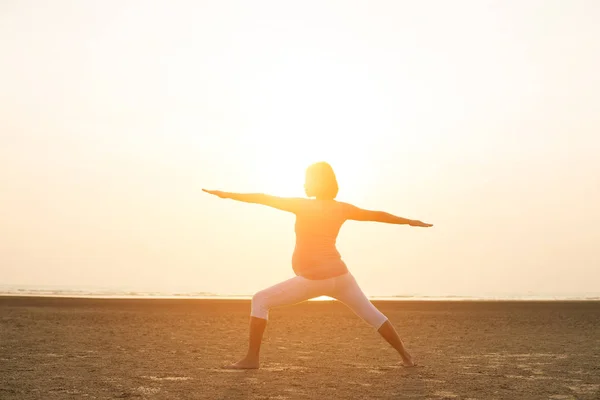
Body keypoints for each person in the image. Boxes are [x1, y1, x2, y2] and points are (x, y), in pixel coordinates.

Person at [203, 161, 433, 369]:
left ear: (317, 183)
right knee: (372, 315)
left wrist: (226, 194)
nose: (304, 184)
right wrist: (410, 222)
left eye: (307, 180)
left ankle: (252, 359)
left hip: (315, 278)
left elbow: (263, 198)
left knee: (260, 300)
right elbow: (377, 215)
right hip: (341, 277)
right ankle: (406, 357)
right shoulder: (342, 208)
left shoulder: (302, 205)